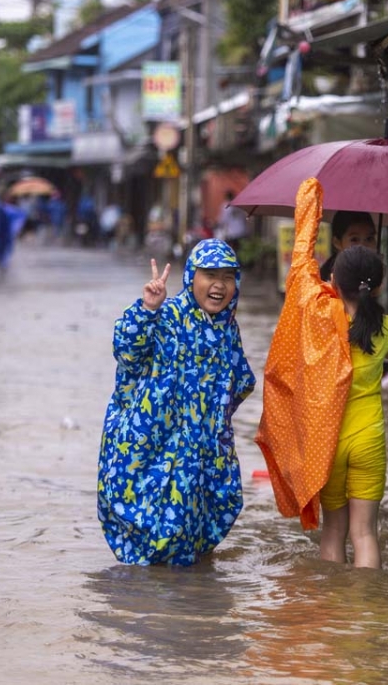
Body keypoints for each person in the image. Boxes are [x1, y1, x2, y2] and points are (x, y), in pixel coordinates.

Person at [257, 178, 388, 569]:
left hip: (328, 442)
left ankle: (335, 612)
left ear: (332, 280)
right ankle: (365, 609)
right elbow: (375, 324)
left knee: (334, 532)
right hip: (370, 437)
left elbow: (301, 265)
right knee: (366, 534)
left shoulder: (320, 315)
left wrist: (309, 201)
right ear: (378, 284)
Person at [98, 240, 256, 566]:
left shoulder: (228, 328)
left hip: (205, 448)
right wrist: (148, 308)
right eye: (209, 274)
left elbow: (240, 382)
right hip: (156, 445)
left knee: (208, 518)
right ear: (191, 276)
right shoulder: (166, 315)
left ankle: (192, 604)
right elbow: (127, 350)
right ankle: (156, 604)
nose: (219, 285)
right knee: (156, 530)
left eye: (228, 277)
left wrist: (214, 425)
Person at [318, 209, 376, 282]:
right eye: (354, 239)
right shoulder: (327, 283)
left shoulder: (374, 274)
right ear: (337, 242)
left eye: (369, 238)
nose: (363, 246)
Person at [217, 191, 249, 255]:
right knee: (241, 251)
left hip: (232, 234)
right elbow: (245, 218)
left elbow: (222, 221)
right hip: (242, 232)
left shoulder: (225, 206)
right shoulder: (239, 205)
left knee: (231, 252)